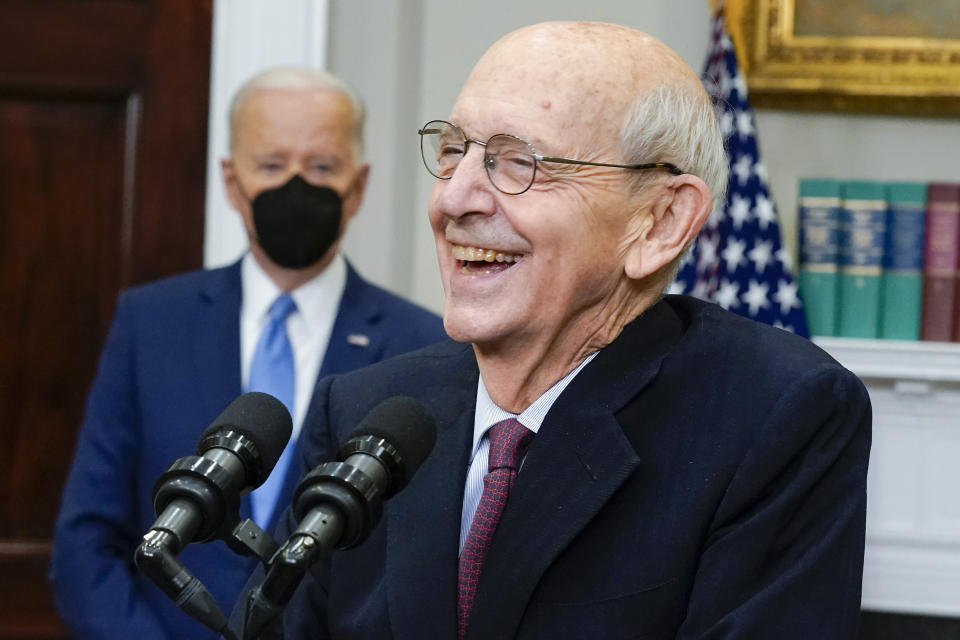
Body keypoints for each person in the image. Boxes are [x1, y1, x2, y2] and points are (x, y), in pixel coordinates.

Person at [235, 22, 871, 640]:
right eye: (454, 152)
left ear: (659, 222)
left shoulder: (777, 415)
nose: (455, 199)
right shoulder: (366, 411)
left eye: (518, 162)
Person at [49, 67, 446, 640]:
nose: (296, 187)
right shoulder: (151, 322)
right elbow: (86, 541)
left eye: (321, 167)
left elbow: (416, 566)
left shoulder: (425, 344)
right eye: (271, 165)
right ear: (232, 182)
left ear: (357, 187)